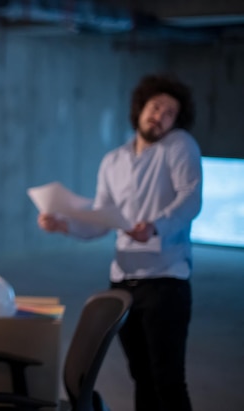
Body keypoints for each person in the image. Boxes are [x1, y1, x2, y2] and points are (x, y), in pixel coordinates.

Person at [38, 73, 201, 411]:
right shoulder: (113, 160)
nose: (160, 116)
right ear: (141, 108)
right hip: (123, 283)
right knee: (141, 376)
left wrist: (154, 227)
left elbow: (190, 200)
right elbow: (100, 222)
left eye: (170, 113)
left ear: (176, 122)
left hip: (165, 281)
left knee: (168, 380)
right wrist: (63, 225)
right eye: (156, 107)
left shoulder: (179, 145)